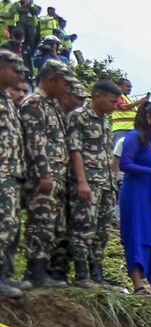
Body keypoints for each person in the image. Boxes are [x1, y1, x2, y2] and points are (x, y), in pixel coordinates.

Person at [17, 60, 73, 289]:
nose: (67, 88)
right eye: (64, 83)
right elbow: (35, 142)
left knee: (53, 225)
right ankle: (35, 272)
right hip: (42, 176)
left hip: (55, 176)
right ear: (51, 79)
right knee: (40, 223)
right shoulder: (34, 103)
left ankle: (46, 272)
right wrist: (43, 174)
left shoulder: (52, 105)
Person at [114, 98, 151, 294]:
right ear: (148, 117)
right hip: (137, 194)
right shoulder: (134, 136)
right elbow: (125, 164)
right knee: (138, 236)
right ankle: (138, 285)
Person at [64, 79, 119, 289]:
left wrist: (112, 180)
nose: (115, 106)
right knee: (83, 227)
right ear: (98, 96)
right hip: (87, 181)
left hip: (105, 183)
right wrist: (81, 181)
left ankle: (97, 275)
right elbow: (74, 150)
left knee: (102, 230)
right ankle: (81, 275)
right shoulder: (79, 117)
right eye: (112, 101)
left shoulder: (105, 120)